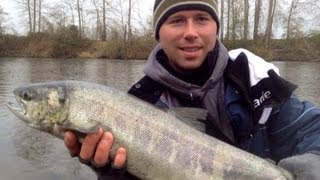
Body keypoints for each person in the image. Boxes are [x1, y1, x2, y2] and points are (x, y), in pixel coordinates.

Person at [64, 0, 320, 179]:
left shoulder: (250, 73)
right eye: (176, 21)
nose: (190, 32)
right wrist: (113, 175)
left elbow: (310, 128)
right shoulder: (138, 103)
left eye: (201, 19)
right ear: (158, 32)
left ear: (215, 27)